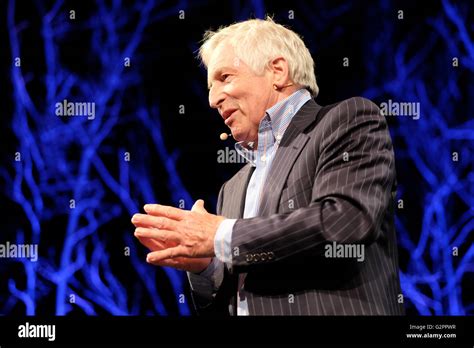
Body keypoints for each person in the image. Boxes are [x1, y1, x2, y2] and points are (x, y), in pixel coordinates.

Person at [131, 17, 404, 315]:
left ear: (277, 71)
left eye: (225, 77)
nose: (212, 99)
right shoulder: (232, 188)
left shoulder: (348, 120)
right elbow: (228, 302)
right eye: (210, 86)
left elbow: (346, 221)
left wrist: (221, 236)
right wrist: (206, 268)